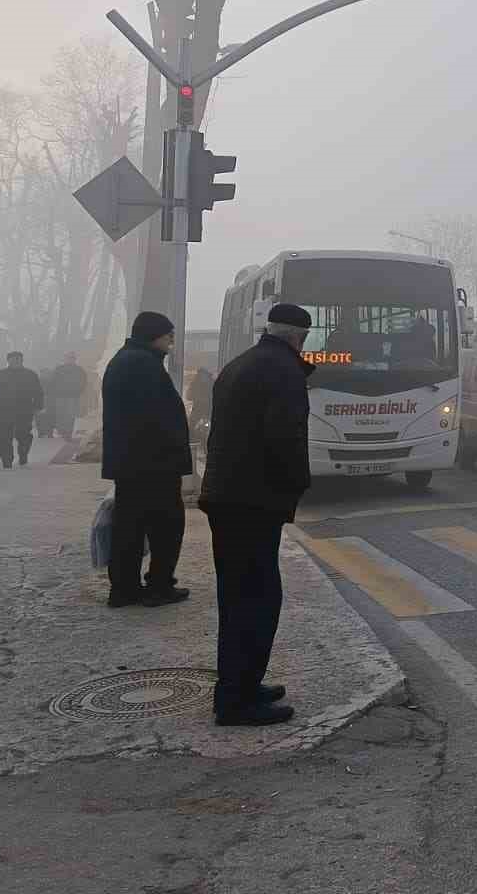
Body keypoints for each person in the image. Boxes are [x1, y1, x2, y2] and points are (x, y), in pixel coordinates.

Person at [200, 303, 315, 728]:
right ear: (298, 337)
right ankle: (237, 701)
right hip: (252, 500)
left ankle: (242, 685)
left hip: (229, 496)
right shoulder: (283, 372)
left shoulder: (241, 364)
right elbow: (286, 439)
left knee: (238, 597)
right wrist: (298, 485)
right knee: (257, 599)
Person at [102, 312, 194, 608]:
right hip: (153, 465)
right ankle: (159, 587)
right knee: (166, 527)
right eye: (169, 336)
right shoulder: (143, 365)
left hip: (132, 463)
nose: (171, 342)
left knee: (129, 527)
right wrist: (174, 457)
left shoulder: (126, 360)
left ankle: (125, 589)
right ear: (154, 335)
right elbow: (157, 419)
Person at [0, 351, 43, 469]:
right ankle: (6, 461)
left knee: (24, 435)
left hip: (24, 410)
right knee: (3, 437)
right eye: (13, 359)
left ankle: (23, 455)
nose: (15, 361)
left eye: (18, 359)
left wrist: (38, 406)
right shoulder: (0, 375)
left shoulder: (30, 374)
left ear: (22, 360)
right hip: (3, 411)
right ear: (8, 361)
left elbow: (38, 392)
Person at [47, 352, 89, 439]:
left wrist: (79, 392)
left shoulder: (79, 370)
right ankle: (62, 430)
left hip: (72, 396)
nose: (70, 359)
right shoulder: (59, 369)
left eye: (72, 358)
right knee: (60, 414)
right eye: (69, 358)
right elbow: (52, 381)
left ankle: (68, 432)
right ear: (65, 359)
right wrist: (53, 393)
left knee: (70, 415)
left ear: (74, 359)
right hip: (60, 396)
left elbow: (83, 382)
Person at [187, 367, 215, 437]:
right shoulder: (195, 383)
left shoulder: (212, 383)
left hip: (209, 409)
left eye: (204, 375)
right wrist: (197, 398)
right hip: (198, 408)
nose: (203, 377)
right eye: (201, 375)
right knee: (191, 425)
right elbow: (189, 396)